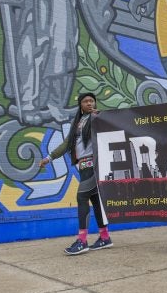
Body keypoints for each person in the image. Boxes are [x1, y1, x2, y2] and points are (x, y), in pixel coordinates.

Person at [39, 92, 113, 255]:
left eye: (92, 101)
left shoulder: (97, 117)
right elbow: (67, 144)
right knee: (94, 200)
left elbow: (111, 125)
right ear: (80, 104)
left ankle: (82, 240)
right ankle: (105, 237)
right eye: (86, 101)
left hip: (94, 165)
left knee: (82, 197)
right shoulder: (78, 122)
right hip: (83, 166)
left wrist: (100, 117)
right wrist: (48, 158)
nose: (89, 103)